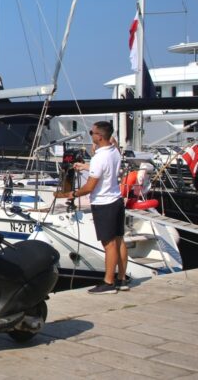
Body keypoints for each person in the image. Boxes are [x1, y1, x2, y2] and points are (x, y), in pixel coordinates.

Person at [61, 121, 128, 294]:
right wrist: (86, 166)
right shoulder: (114, 151)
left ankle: (108, 282)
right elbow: (105, 168)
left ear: (99, 136)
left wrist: (74, 194)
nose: (91, 135)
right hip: (116, 200)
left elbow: (89, 187)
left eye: (92, 133)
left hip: (104, 204)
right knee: (119, 240)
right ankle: (122, 279)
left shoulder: (99, 158)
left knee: (109, 244)